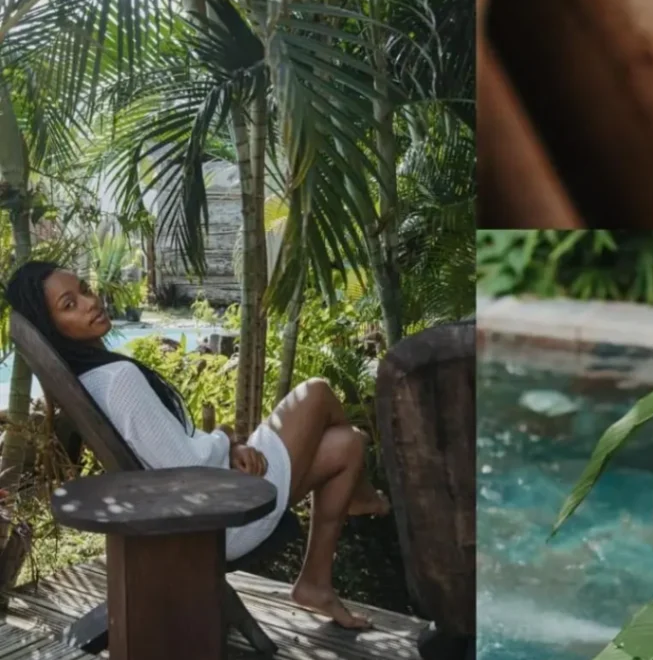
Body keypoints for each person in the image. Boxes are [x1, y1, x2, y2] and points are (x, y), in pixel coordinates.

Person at [6, 261, 390, 629]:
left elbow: (170, 456)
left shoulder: (92, 380)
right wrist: (227, 438)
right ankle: (363, 496)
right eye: (69, 304)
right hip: (220, 515)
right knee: (316, 392)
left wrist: (231, 445)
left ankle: (315, 584)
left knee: (347, 445)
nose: (91, 302)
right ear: (51, 326)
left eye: (85, 290)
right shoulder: (117, 380)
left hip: (200, 506)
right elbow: (186, 466)